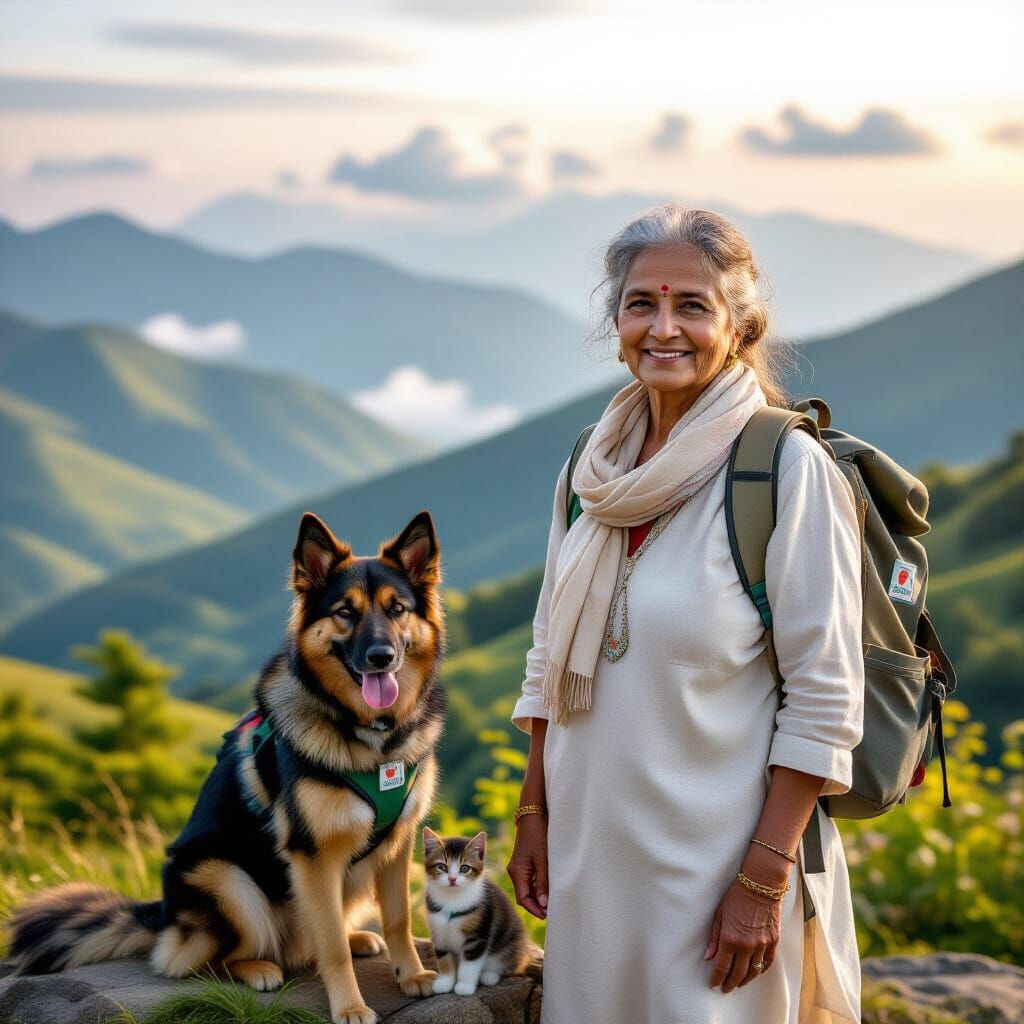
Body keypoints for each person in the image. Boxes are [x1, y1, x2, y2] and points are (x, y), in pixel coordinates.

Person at [506, 204, 865, 1023]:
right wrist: (535, 813)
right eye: (642, 303)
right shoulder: (591, 466)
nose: (663, 328)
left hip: (716, 875)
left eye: (692, 306)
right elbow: (545, 653)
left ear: (738, 325)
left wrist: (763, 881)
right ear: (616, 319)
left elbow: (824, 697)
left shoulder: (782, 471)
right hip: (592, 862)